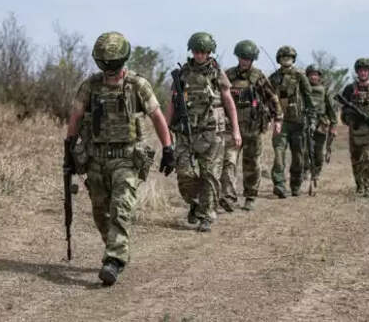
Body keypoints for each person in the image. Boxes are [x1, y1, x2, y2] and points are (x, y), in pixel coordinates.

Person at [65, 31, 175, 286]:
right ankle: (118, 248)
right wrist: (70, 151)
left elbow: (157, 116)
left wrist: (168, 148)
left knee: (121, 207)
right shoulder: (90, 86)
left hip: (127, 158)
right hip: (96, 158)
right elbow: (76, 117)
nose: (110, 69)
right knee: (100, 212)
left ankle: (113, 259)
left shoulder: (137, 85)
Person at [165, 32, 241, 232]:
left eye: (203, 52)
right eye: (196, 51)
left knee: (210, 175)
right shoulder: (182, 73)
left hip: (212, 132)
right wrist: (166, 128)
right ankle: (196, 202)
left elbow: (228, 102)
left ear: (209, 52)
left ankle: (207, 215)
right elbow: (172, 102)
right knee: (184, 173)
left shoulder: (216, 72)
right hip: (186, 132)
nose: (199, 55)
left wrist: (236, 130)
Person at [219, 40, 282, 211]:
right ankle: (229, 197)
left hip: (253, 127)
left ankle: (250, 196)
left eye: (248, 58)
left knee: (252, 163)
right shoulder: (228, 75)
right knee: (228, 162)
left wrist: (278, 119)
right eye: (242, 57)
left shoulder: (258, 76)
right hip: (231, 128)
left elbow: (272, 97)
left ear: (253, 59)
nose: (244, 61)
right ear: (237, 57)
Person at [268, 45, 315, 197]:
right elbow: (268, 98)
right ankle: (279, 184)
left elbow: (309, 98)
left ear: (293, 59)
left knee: (298, 157)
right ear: (279, 59)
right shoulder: (274, 78)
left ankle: (296, 184)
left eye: (289, 57)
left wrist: (312, 120)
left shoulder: (300, 76)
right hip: (281, 122)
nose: (286, 59)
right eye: (283, 57)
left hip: (298, 122)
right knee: (279, 154)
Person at [340, 58, 369, 198]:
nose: (363, 73)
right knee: (356, 159)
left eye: (365, 70)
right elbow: (343, 107)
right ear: (357, 72)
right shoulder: (350, 89)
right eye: (361, 70)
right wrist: (348, 118)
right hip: (354, 129)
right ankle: (359, 185)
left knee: (368, 158)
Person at [303, 64, 337, 184]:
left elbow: (331, 110)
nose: (313, 77)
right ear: (307, 76)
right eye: (311, 75)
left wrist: (333, 126)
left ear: (319, 76)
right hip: (306, 122)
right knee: (305, 150)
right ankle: (306, 170)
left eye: (315, 75)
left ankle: (316, 173)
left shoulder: (324, 91)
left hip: (321, 124)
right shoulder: (302, 89)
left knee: (318, 151)